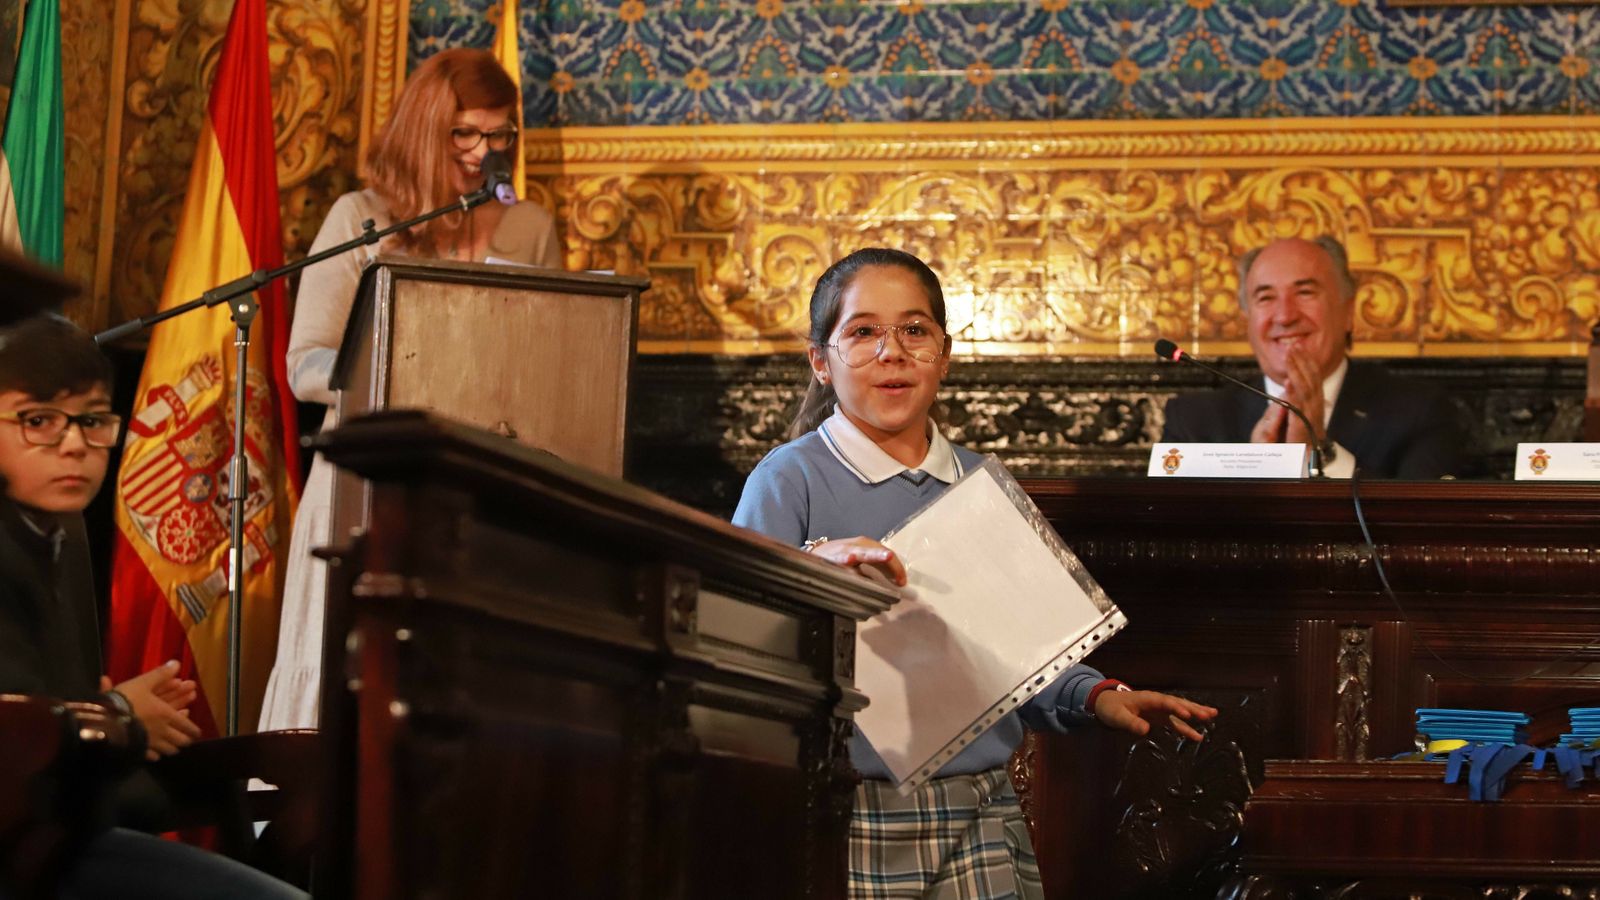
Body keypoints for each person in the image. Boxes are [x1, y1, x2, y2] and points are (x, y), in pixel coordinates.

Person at [732, 248, 1217, 899]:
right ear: (821, 361)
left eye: (914, 330)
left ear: (944, 353)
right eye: (863, 332)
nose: (892, 351)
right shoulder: (788, 479)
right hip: (847, 809)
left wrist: (1099, 695)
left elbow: (1019, 655)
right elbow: (736, 639)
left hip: (979, 811)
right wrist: (813, 574)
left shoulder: (981, 481)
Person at [258, 48, 563, 731]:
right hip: (366, 482)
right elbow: (305, 366)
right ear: (427, 127)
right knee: (349, 679)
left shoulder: (530, 227)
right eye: (466, 133)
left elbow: (550, 360)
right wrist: (407, 375)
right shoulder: (361, 218)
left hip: (482, 485)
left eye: (499, 134)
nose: (484, 152)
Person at [0, 312, 306, 900]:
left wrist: (132, 722)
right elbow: (14, 733)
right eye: (39, 420)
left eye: (92, 422)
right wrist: (119, 713)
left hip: (66, 831)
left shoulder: (56, 530)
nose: (74, 445)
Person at [1160, 235, 1460, 479]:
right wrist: (1254, 468)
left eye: (1305, 293)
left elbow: (1417, 530)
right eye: (1265, 298)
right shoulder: (1193, 422)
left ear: (1348, 312)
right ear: (1247, 321)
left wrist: (1320, 451)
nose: (1285, 316)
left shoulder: (1418, 412)